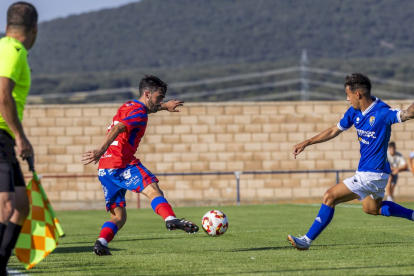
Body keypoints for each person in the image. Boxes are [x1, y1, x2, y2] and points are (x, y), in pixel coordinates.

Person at [288, 73, 414, 250]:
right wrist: (307, 142)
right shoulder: (354, 112)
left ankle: (306, 241)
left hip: (372, 173)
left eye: (348, 95)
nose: (347, 99)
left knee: (329, 196)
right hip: (377, 173)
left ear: (358, 95)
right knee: (372, 209)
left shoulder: (382, 112)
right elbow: (334, 131)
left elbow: (407, 113)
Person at [82, 75, 199, 256]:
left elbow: (146, 110)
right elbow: (117, 129)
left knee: (119, 217)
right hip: (121, 164)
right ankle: (170, 219)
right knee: (152, 188)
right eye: (159, 97)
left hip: (105, 169)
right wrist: (99, 150)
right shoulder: (138, 112)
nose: (161, 100)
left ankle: (101, 243)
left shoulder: (129, 106)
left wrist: (164, 107)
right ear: (147, 93)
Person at [0, 2, 37, 273]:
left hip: (6, 138)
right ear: (35, 29)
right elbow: (3, 95)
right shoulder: (13, 51)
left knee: (22, 204)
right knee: (6, 204)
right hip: (1, 135)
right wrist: (20, 136)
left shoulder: (6, 48)